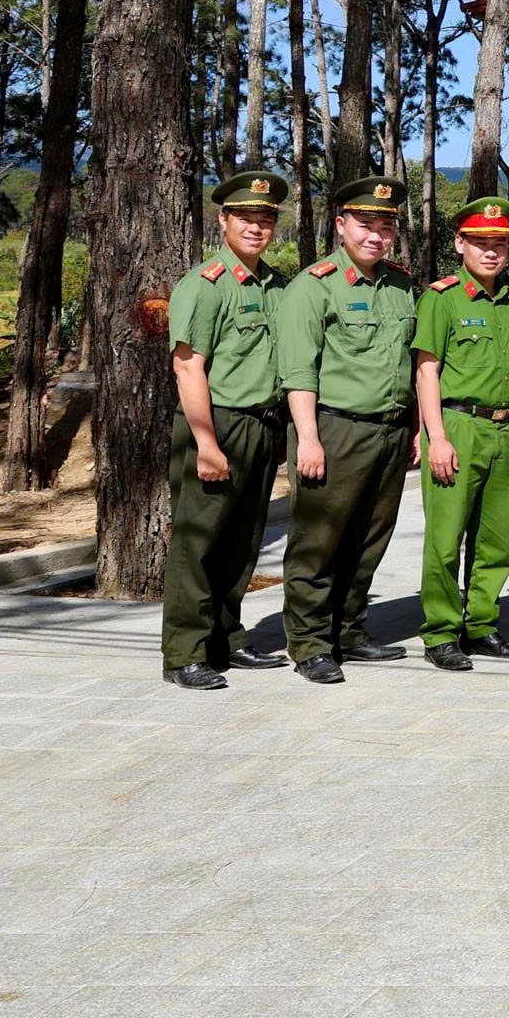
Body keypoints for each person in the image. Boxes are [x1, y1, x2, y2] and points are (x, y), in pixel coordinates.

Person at [275, 176, 421, 684]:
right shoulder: (312, 286)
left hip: (389, 431)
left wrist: (416, 430)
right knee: (319, 540)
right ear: (341, 226)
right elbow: (298, 370)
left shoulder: (402, 286)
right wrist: (308, 438)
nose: (376, 235)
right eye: (365, 224)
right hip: (334, 429)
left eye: (386, 226)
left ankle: (350, 630)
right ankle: (311, 643)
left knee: (369, 539)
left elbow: (409, 364)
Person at [160, 169, 294, 689]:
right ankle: (184, 654)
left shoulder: (277, 287)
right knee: (199, 543)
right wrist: (206, 442)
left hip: (262, 426)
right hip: (216, 426)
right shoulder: (204, 286)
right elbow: (188, 367)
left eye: (265, 220)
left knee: (243, 541)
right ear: (223, 221)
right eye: (246, 218)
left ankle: (227, 639)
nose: (257, 228)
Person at [412, 197, 509, 672]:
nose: (491, 252)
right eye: (481, 242)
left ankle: (481, 624)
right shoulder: (442, 298)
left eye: (499, 244)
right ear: (460, 243)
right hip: (458, 426)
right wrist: (435, 437)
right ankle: (440, 632)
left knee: (495, 539)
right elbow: (426, 371)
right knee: (446, 538)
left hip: (505, 430)